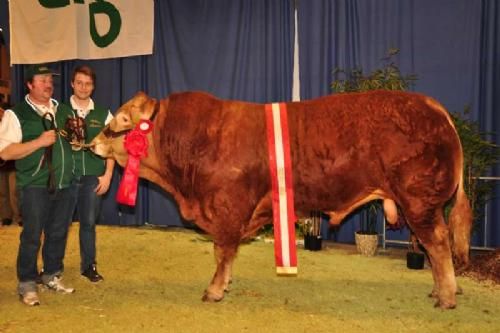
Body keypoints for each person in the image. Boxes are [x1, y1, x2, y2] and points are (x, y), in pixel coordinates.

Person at [0, 64, 76, 306]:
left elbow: (72, 145)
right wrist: (39, 142)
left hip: (64, 183)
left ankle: (52, 274)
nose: (48, 83)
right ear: (30, 85)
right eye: (42, 79)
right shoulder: (16, 113)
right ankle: (27, 282)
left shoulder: (63, 110)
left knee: (58, 233)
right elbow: (5, 151)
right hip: (34, 184)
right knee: (32, 235)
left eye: (50, 80)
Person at [67, 65, 114, 282]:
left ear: (93, 87)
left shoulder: (104, 114)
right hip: (64, 177)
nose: (83, 87)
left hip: (93, 177)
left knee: (88, 223)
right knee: (57, 225)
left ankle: (88, 266)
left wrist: (107, 176)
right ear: (72, 84)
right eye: (79, 83)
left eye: (87, 83)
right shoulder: (59, 111)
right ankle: (51, 267)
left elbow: (112, 146)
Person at [0, 102, 22, 227]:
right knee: (2, 192)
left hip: (13, 164)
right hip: (2, 164)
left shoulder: (14, 125)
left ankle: (18, 216)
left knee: (14, 192)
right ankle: (6, 216)